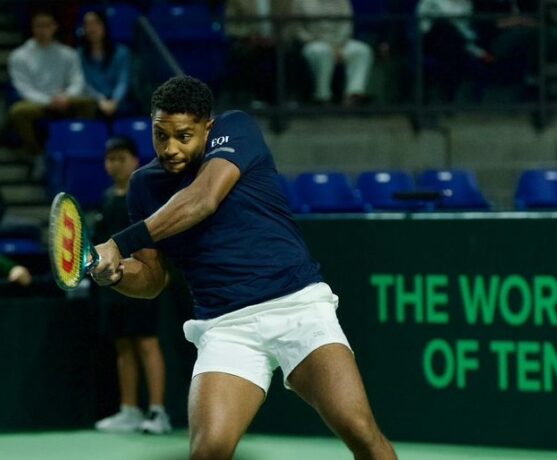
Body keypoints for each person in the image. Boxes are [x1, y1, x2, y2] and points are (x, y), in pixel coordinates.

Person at [89, 76, 396, 459]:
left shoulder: (236, 128)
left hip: (297, 308)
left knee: (360, 431)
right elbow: (152, 278)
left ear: (207, 127)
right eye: (160, 135)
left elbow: (203, 199)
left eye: (183, 136)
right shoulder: (143, 186)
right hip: (225, 326)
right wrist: (116, 274)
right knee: (209, 451)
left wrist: (119, 243)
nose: (170, 148)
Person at [93, 136, 172, 435]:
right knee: (123, 344)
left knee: (147, 343)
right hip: (115, 285)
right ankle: (129, 410)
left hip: (142, 280)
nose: (114, 164)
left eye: (120, 158)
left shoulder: (144, 196)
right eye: (110, 159)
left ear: (134, 160)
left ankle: (158, 411)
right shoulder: (105, 199)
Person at [8, 7, 96, 174]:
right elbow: (24, 88)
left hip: (65, 100)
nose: (43, 30)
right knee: (18, 112)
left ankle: (79, 144)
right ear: (32, 28)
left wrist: (66, 96)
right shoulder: (19, 56)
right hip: (38, 103)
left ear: (54, 27)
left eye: (47, 25)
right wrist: (49, 101)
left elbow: (77, 81)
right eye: (38, 26)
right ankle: (36, 154)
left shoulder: (68, 54)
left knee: (90, 104)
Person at [293, 0, 374, 106]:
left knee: (362, 51)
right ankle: (322, 96)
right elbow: (297, 29)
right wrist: (311, 40)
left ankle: (354, 94)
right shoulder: (300, 2)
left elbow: (347, 25)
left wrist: (338, 45)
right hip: (313, 42)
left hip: (339, 43)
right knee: (322, 51)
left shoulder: (342, 1)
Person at [417, 0, 493, 102]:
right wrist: (479, 52)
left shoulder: (466, 4)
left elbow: (466, 32)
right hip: (431, 41)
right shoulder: (430, 2)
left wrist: (479, 52)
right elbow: (423, 28)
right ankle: (446, 94)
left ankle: (447, 95)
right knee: (446, 29)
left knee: (453, 45)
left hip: (457, 45)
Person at [78, 9, 135, 118]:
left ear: (104, 26)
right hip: (93, 104)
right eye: (87, 24)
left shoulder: (122, 52)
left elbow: (123, 81)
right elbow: (84, 83)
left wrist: (115, 101)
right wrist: (100, 100)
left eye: (96, 23)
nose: (92, 28)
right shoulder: (79, 55)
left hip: (120, 104)